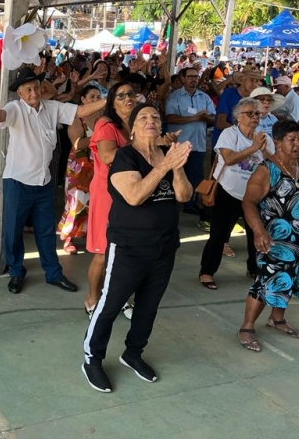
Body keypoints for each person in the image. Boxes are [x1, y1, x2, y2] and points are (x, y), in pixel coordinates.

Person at [0, 66, 105, 294]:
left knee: (46, 230)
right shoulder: (15, 108)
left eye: (36, 86)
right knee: (13, 230)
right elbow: (2, 115)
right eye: (27, 89)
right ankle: (17, 271)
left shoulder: (51, 108)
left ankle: (53, 273)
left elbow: (79, 111)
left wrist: (109, 100)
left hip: (43, 181)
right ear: (19, 93)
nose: (33, 91)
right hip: (17, 182)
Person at [82, 103, 193, 392]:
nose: (150, 120)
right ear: (131, 128)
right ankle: (92, 359)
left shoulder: (165, 156)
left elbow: (183, 195)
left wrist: (176, 167)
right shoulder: (125, 157)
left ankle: (133, 353)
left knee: (148, 306)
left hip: (165, 246)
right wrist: (165, 166)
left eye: (155, 116)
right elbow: (133, 196)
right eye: (143, 117)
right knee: (110, 304)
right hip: (129, 246)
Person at [237, 121, 299, 351]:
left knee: (290, 280)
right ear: (277, 143)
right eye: (292, 140)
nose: (298, 144)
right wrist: (258, 230)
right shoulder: (266, 170)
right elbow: (248, 202)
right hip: (276, 240)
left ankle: (277, 319)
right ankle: (246, 328)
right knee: (264, 282)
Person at [199, 98, 274, 289]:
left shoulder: (263, 137)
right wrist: (254, 147)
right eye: (250, 113)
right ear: (238, 117)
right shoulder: (229, 134)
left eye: (257, 113)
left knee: (254, 234)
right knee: (218, 235)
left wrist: (263, 150)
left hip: (254, 195)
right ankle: (207, 272)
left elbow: (272, 161)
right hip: (227, 191)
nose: (254, 117)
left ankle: (254, 268)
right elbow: (229, 158)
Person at [85, 82, 137, 314]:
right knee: (103, 253)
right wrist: (142, 144)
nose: (128, 98)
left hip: (131, 191)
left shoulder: (137, 124)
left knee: (127, 253)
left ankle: (120, 298)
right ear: (112, 103)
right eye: (121, 95)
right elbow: (107, 156)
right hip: (108, 194)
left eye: (131, 94)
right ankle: (92, 300)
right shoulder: (105, 124)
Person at [165, 67, 216, 218]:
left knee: (196, 176)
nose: (193, 79)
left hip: (198, 144)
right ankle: (172, 204)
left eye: (196, 76)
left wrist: (205, 118)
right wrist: (194, 118)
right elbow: (170, 118)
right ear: (183, 79)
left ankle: (191, 204)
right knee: (176, 175)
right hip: (179, 144)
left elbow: (214, 118)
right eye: (190, 76)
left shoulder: (204, 97)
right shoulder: (175, 97)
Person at [57, 86, 101, 254]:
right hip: (79, 167)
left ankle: (90, 236)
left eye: (98, 96)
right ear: (83, 100)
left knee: (94, 201)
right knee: (77, 201)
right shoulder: (77, 119)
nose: (96, 100)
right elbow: (77, 144)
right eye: (92, 96)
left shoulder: (102, 119)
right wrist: (99, 135)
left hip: (97, 164)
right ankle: (67, 238)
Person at [212, 65, 262, 148]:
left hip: (243, 145)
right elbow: (220, 123)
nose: (254, 84)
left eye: (257, 81)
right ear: (242, 80)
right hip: (224, 144)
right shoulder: (228, 94)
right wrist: (243, 131)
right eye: (251, 80)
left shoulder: (254, 98)